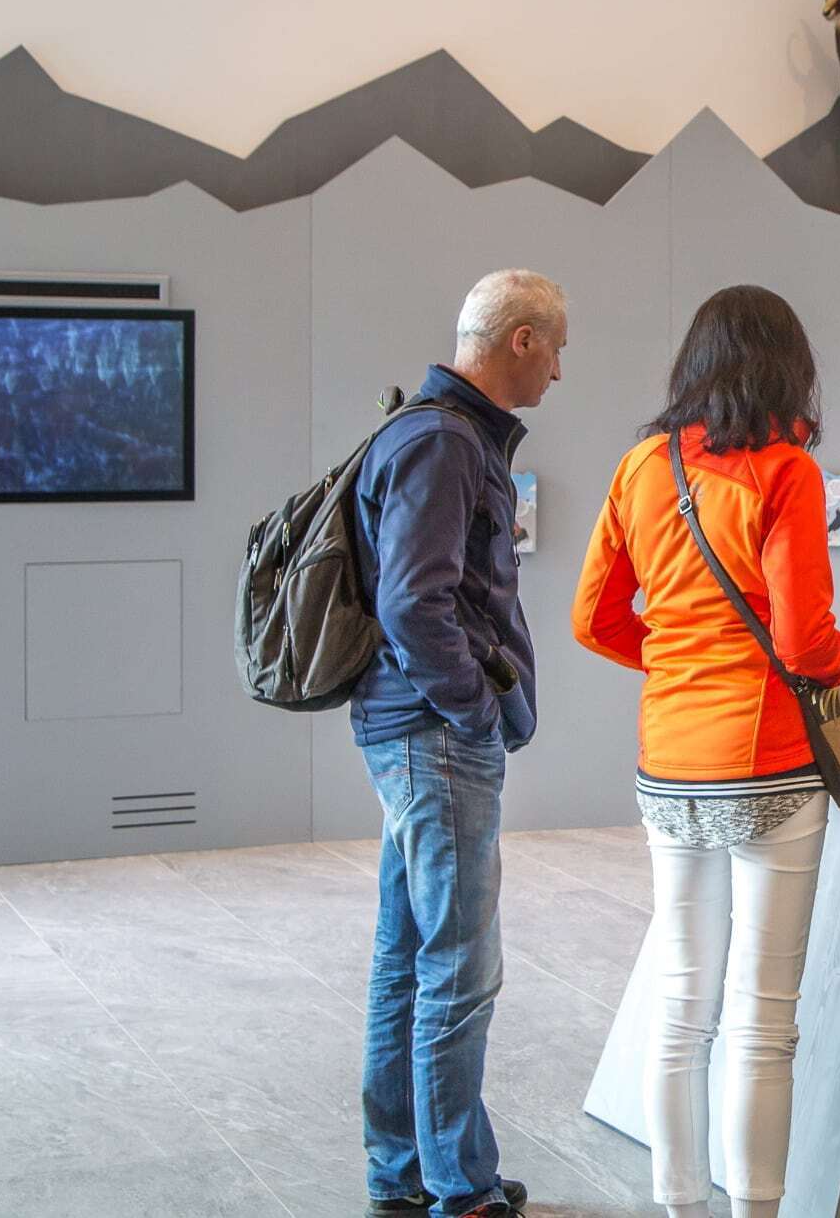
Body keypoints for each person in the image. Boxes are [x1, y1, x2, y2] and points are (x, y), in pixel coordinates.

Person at [572, 285, 840, 1218]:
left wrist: (671, 658)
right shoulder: (786, 471)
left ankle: (680, 1207)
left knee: (681, 1009)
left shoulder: (639, 469)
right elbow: (808, 643)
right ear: (787, 367)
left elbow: (593, 617)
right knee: (762, 1020)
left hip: (669, 764)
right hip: (769, 761)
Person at [350, 269, 567, 1218]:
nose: (561, 371)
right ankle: (457, 1187)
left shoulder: (432, 432)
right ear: (519, 340)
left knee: (411, 955)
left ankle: (406, 1171)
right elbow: (413, 602)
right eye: (556, 347)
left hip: (411, 731)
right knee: (459, 966)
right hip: (435, 736)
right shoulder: (445, 441)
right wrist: (474, 706)